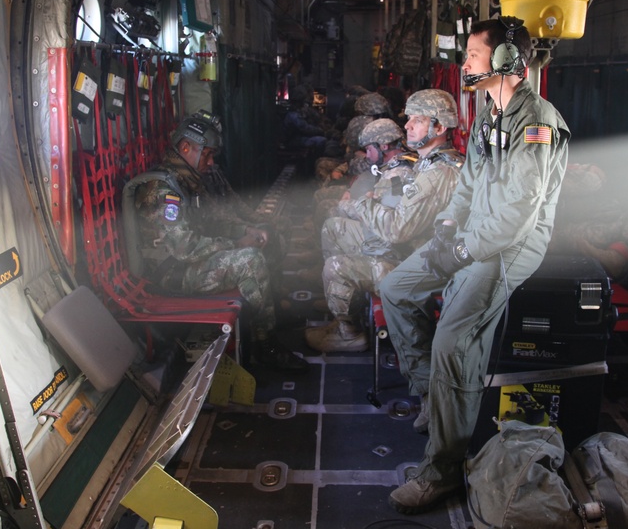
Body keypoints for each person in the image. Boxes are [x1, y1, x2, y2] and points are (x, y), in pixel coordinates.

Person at [378, 16, 570, 514]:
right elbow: (468, 184)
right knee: (397, 288)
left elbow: (516, 217)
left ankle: (441, 470)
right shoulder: (490, 111)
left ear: (506, 61)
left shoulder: (536, 123)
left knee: (453, 341)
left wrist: (462, 252)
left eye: (473, 56)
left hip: (509, 248)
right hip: (471, 233)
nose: (464, 64)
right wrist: (446, 228)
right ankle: (430, 394)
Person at [134, 112, 307, 370]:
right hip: (170, 272)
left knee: (263, 243)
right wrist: (238, 243)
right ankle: (266, 346)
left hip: (188, 262)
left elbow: (210, 225)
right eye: (207, 154)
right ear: (185, 147)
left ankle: (268, 317)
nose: (211, 161)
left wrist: (247, 231)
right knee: (250, 260)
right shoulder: (163, 192)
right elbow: (184, 247)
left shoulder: (186, 182)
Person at [307, 91, 465, 352]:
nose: (407, 126)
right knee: (335, 229)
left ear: (439, 126)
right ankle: (342, 301)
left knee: (336, 267)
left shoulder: (439, 172)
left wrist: (365, 203)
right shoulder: (431, 163)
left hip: (416, 266)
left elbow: (397, 230)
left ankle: (349, 333)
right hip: (413, 253)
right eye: (409, 119)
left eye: (418, 120)